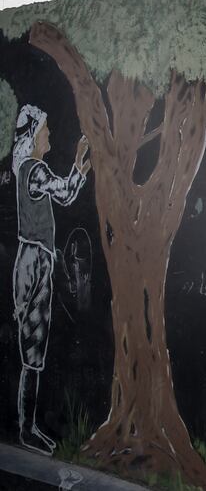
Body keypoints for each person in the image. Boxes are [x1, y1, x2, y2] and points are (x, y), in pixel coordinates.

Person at [11, 105, 91, 455]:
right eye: (45, 130)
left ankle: (27, 427)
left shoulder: (29, 171)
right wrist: (77, 163)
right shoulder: (33, 170)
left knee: (34, 348)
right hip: (34, 261)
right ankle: (26, 429)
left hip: (36, 259)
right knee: (32, 347)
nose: (49, 135)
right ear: (32, 138)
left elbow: (67, 193)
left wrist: (79, 170)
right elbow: (63, 192)